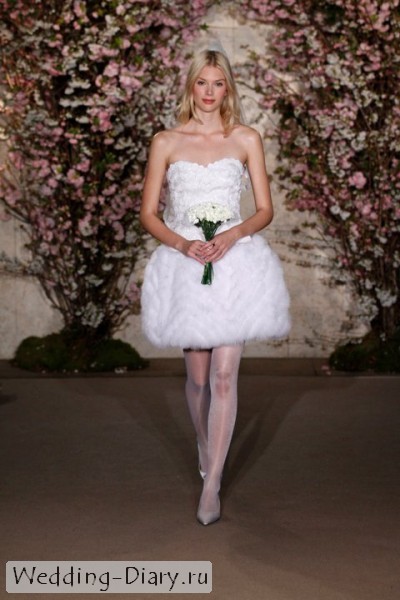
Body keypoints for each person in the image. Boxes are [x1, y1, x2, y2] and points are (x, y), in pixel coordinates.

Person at [140, 47, 290, 526]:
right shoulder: (166, 141)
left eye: (218, 83)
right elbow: (148, 214)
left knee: (225, 376)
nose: (209, 92)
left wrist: (232, 234)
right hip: (187, 263)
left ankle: (212, 484)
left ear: (228, 88)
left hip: (233, 262)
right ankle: (204, 444)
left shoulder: (245, 138)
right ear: (191, 85)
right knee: (199, 379)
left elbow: (265, 209)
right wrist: (184, 245)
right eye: (202, 82)